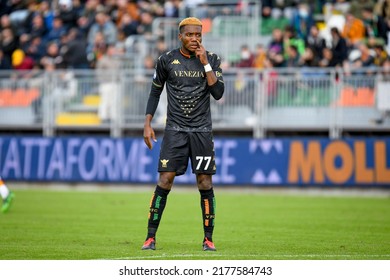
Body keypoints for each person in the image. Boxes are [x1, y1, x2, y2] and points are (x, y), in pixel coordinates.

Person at [142, 17, 224, 251]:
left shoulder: (213, 59)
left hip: (201, 131)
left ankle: (208, 239)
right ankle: (150, 237)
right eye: (190, 35)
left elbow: (217, 92)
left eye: (198, 35)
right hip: (175, 130)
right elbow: (154, 92)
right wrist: (147, 123)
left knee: (204, 181)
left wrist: (205, 63)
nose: (195, 39)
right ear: (180, 36)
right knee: (165, 180)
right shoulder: (166, 60)